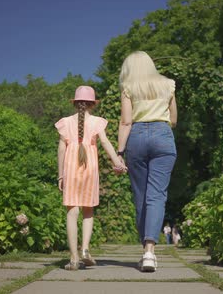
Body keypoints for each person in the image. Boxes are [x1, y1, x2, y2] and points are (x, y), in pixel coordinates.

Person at [116, 51, 178, 272]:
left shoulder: (128, 87)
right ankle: (150, 252)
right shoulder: (168, 84)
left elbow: (125, 122)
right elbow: (173, 119)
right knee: (156, 195)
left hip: (137, 137)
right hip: (163, 136)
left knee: (141, 197)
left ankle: (145, 249)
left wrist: (119, 153)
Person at [56, 86, 126, 271]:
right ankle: (85, 249)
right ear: (92, 104)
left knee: (72, 212)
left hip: (70, 168)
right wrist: (117, 161)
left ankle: (73, 258)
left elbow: (61, 149)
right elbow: (104, 142)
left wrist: (60, 175)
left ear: (76, 103)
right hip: (90, 168)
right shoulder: (96, 122)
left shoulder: (66, 122)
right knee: (88, 211)